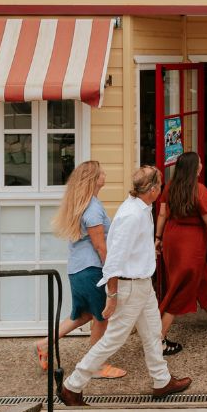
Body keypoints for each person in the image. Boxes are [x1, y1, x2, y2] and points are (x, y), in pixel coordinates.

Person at [59, 166, 192, 405]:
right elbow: (115, 258)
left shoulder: (142, 208)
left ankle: (161, 380)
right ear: (152, 190)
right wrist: (112, 294)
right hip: (130, 286)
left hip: (142, 284)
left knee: (153, 333)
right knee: (113, 339)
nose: (161, 189)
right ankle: (72, 385)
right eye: (159, 186)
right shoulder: (132, 215)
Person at [36, 160, 126, 380]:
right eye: (102, 172)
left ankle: (44, 344)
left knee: (84, 314)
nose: (105, 174)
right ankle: (95, 365)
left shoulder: (84, 204)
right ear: (94, 179)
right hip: (92, 269)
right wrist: (111, 270)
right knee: (101, 316)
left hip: (78, 269)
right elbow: (100, 245)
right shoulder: (93, 208)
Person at [156, 151, 207, 354]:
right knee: (181, 287)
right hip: (191, 243)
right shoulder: (200, 191)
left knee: (201, 277)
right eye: (199, 163)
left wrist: (158, 238)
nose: (202, 165)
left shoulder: (170, 187)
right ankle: (158, 339)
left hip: (172, 238)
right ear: (194, 168)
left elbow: (163, 213)